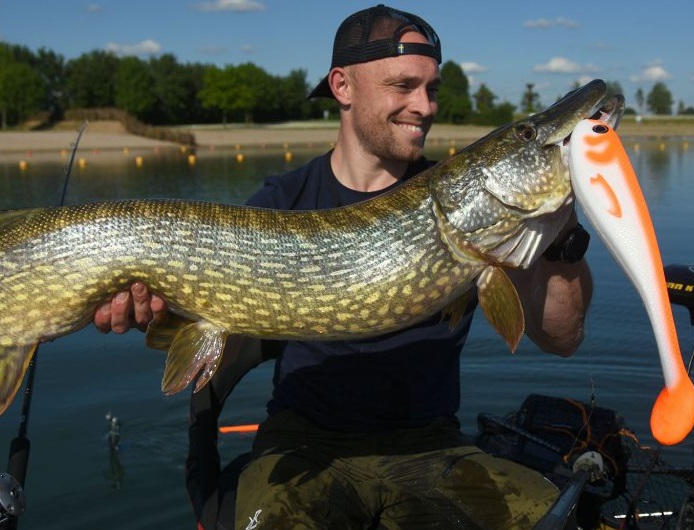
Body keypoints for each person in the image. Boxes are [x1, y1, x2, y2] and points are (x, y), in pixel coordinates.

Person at [95, 5, 593, 529]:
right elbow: (209, 313)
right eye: (403, 86)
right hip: (302, 442)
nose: (424, 106)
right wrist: (149, 306)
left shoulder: (472, 205)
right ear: (343, 86)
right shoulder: (281, 201)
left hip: (431, 446)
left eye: (432, 89)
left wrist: (562, 235)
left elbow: (562, 338)